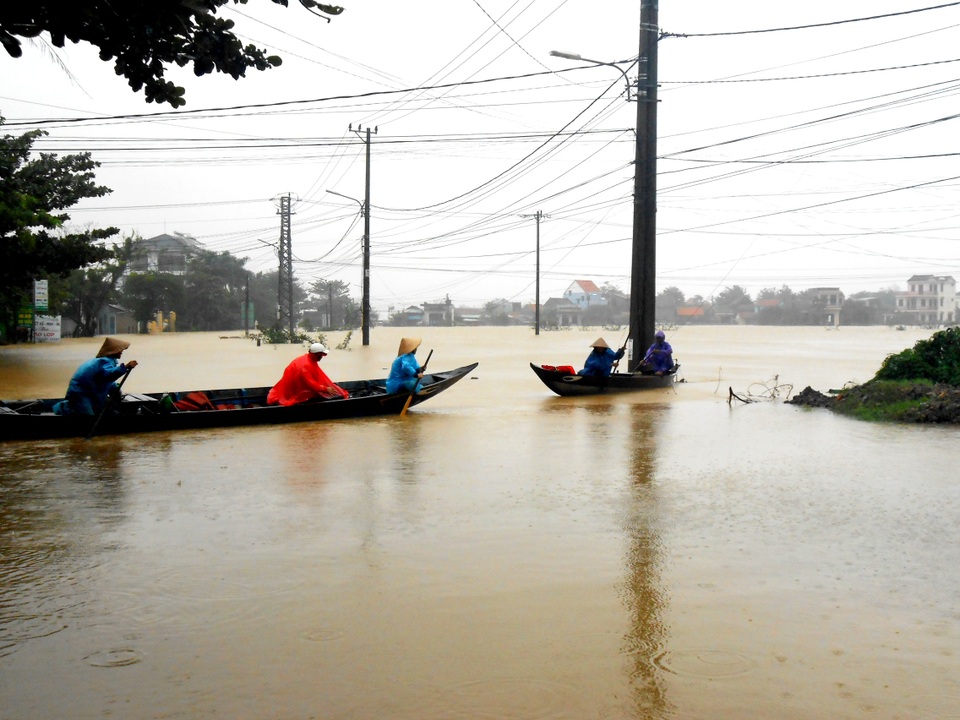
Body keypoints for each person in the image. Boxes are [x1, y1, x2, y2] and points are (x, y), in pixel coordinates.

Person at [53, 337, 139, 416]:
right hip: (81, 393)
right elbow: (109, 375)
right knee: (89, 417)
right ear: (113, 351)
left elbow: (109, 383)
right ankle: (64, 408)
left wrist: (117, 394)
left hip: (91, 392)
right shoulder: (103, 361)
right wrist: (126, 367)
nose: (121, 352)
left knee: (105, 407)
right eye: (120, 350)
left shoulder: (108, 361)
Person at [266, 343, 349, 406]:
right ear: (317, 354)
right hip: (295, 391)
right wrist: (325, 389)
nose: (322, 357)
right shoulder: (306, 365)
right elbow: (311, 383)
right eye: (321, 354)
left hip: (296, 387)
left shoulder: (309, 360)